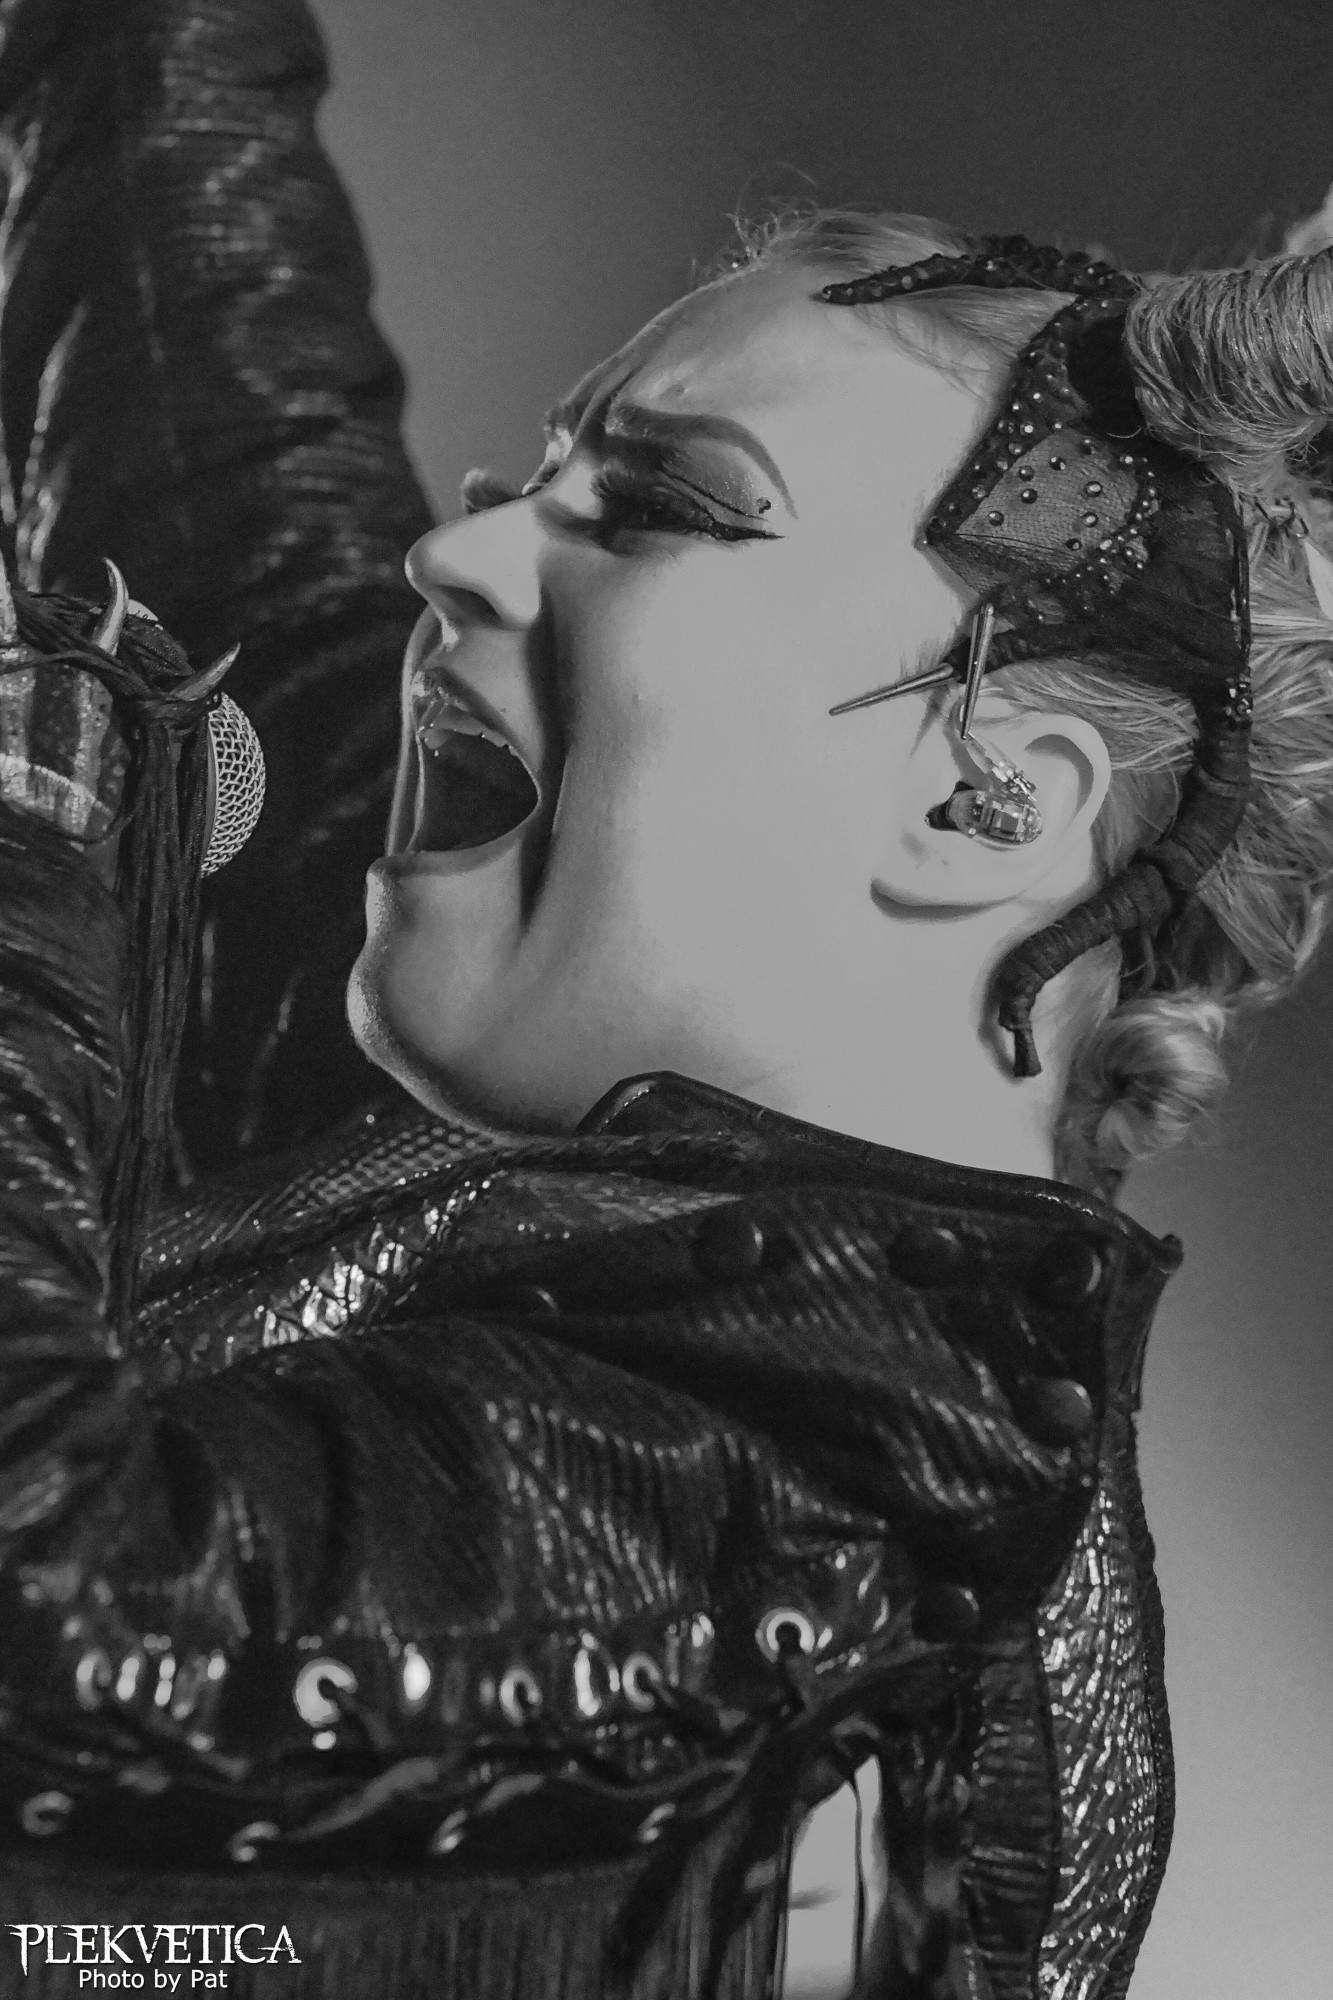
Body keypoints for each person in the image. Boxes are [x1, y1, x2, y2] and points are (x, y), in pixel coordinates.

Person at [1, 9, 1332, 2000]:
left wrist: (31, 849)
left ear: (979, 801)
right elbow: (206, 435)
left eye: (659, 510)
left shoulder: (828, 1524)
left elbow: (59, 1608)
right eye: (533, 485)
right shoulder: (570, 1189)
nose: (453, 556)